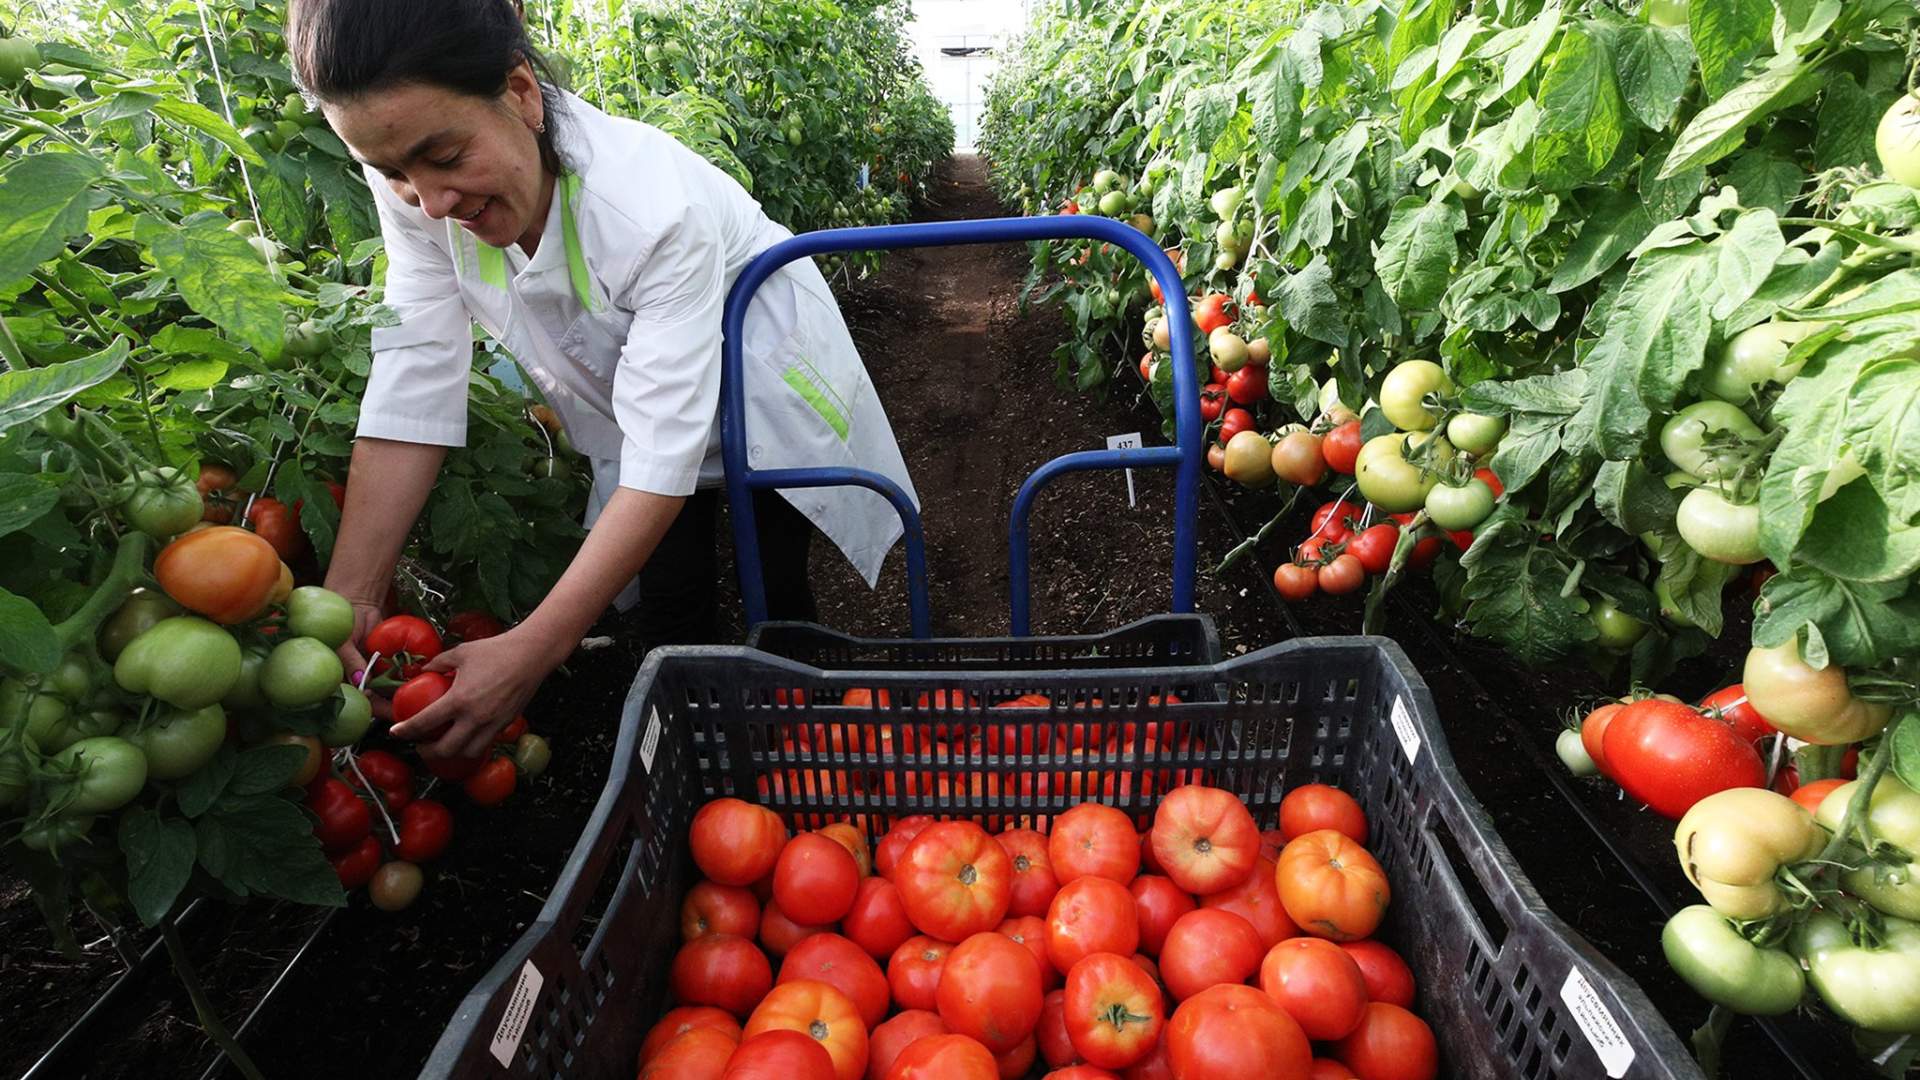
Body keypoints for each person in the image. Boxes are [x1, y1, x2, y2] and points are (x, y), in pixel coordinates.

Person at [286, 0, 916, 766]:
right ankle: (704, 764)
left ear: (520, 92)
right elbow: (415, 373)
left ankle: (807, 738)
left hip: (760, 377)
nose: (430, 202)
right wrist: (352, 597)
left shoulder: (650, 206)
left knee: (772, 579)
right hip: (645, 384)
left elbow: (659, 458)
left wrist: (535, 650)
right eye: (390, 173)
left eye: (445, 158)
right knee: (671, 592)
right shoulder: (419, 193)